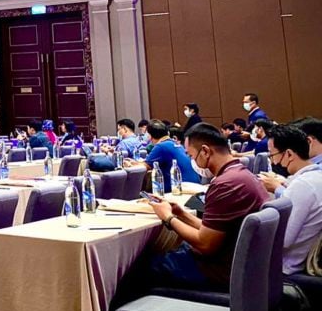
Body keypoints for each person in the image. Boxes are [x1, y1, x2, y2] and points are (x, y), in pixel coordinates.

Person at [150, 123, 268, 288]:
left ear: (205, 151)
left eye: (191, 156)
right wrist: (181, 214)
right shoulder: (242, 175)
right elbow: (213, 229)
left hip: (218, 270)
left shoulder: (224, 184)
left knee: (143, 266)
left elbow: (205, 244)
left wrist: (168, 218)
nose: (192, 161)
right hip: (241, 264)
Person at [259, 124, 322, 275]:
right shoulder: (315, 177)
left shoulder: (302, 185)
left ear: (288, 154)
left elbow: (283, 240)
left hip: (283, 267)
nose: (273, 162)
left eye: (272, 155)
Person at [124, 119, 199, 192]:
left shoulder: (161, 146)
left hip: (179, 189)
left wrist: (130, 164)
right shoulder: (175, 143)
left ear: (150, 136)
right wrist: (135, 162)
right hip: (194, 186)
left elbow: (146, 166)